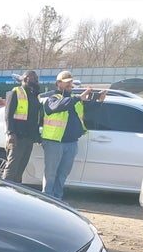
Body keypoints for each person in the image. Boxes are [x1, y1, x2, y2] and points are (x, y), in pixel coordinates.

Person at [41, 70, 106, 200]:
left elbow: (86, 112)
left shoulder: (73, 100)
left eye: (71, 82)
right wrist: (78, 98)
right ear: (58, 83)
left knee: (63, 173)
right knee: (51, 173)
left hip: (71, 143)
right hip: (54, 142)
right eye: (66, 82)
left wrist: (98, 101)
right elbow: (55, 107)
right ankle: (47, 199)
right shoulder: (52, 98)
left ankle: (57, 198)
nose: (70, 85)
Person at [2, 70, 43, 183]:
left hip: (29, 137)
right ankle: (4, 191)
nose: (36, 81)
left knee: (20, 168)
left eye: (37, 79)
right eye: (34, 78)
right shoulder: (16, 92)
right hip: (18, 138)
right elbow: (8, 115)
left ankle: (14, 192)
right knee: (12, 168)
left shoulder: (34, 95)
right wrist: (11, 133)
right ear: (25, 79)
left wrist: (37, 136)